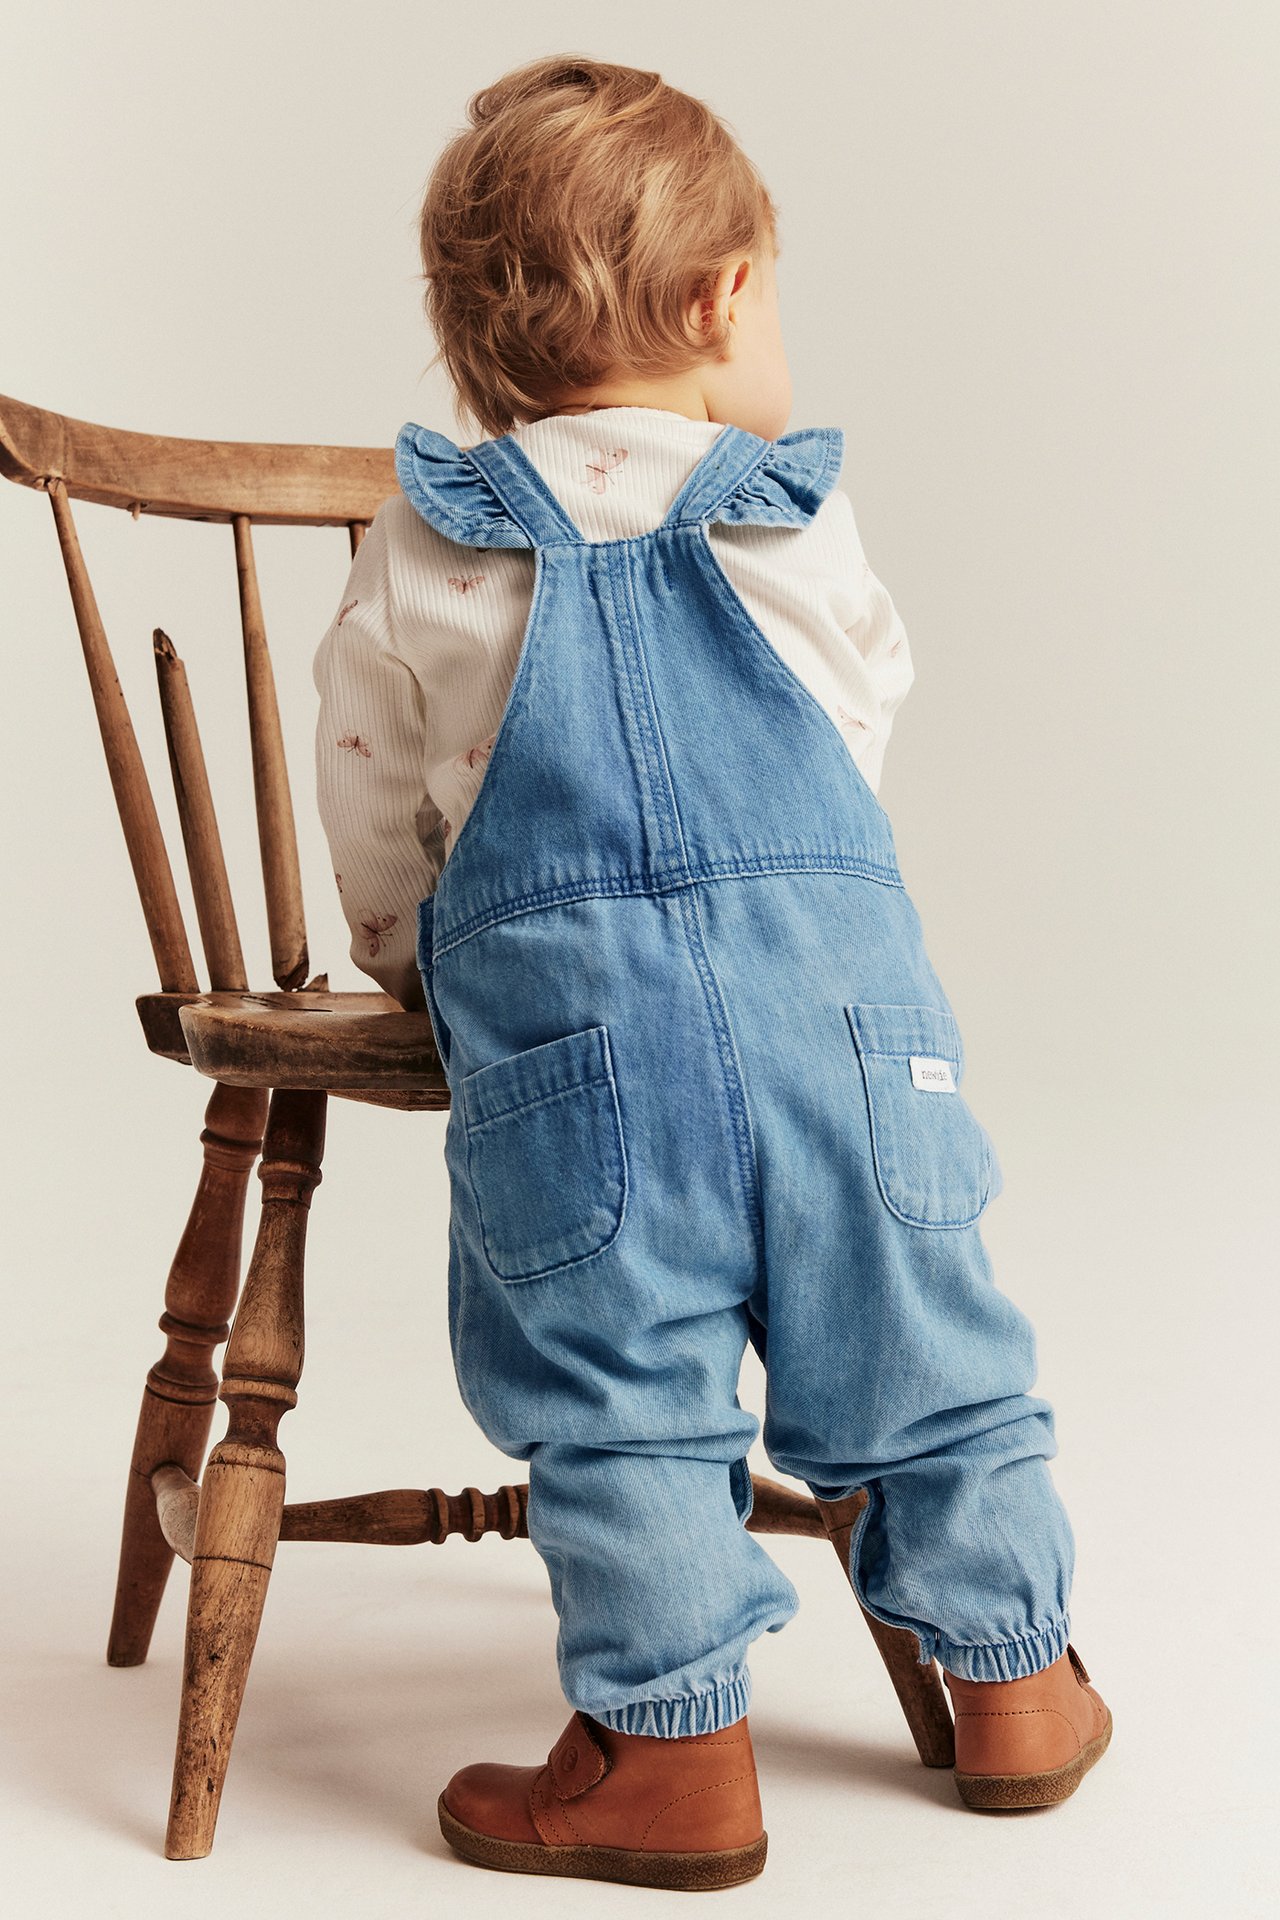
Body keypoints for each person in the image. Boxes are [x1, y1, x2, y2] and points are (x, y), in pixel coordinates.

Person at [312, 53, 1110, 1892]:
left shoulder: (439, 529)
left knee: (618, 1395)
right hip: (843, 1021)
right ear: (718, 298)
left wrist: (402, 957)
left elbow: (370, 784)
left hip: (578, 1056)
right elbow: (861, 719)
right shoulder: (787, 511)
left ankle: (671, 1756)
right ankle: (1018, 1685)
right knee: (929, 1352)